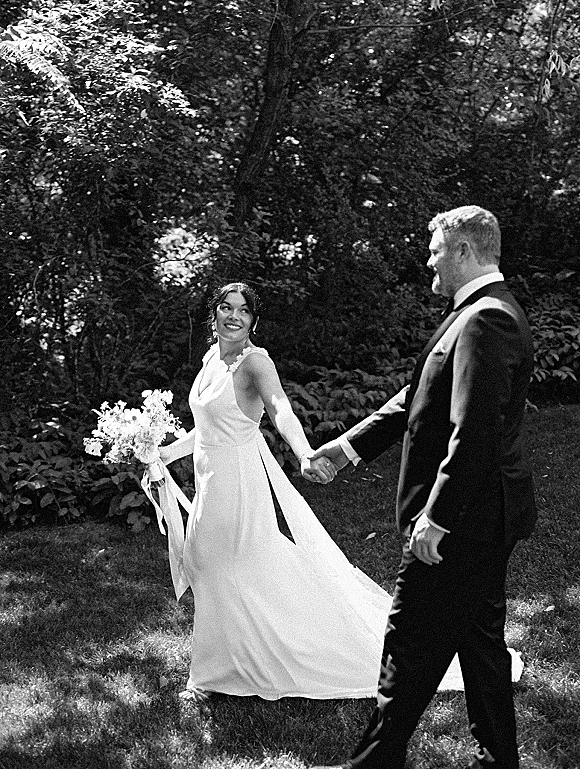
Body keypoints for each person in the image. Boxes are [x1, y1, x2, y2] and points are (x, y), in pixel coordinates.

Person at [309, 206, 536, 769]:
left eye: (435, 251)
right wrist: (347, 448)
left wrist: (437, 516)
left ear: (463, 251)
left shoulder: (486, 319)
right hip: (483, 515)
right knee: (479, 645)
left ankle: (374, 763)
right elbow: (419, 399)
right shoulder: (477, 312)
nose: (428, 261)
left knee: (408, 639)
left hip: (465, 519)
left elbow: (475, 432)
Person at [157, 281, 393, 701]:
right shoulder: (212, 358)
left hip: (236, 482)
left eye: (243, 310)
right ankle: (230, 661)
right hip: (210, 477)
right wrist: (161, 453)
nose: (234, 316)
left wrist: (304, 453)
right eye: (226, 307)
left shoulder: (255, 362)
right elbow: (208, 427)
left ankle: (210, 675)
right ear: (214, 313)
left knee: (217, 565)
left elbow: (280, 406)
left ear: (253, 320)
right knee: (213, 566)